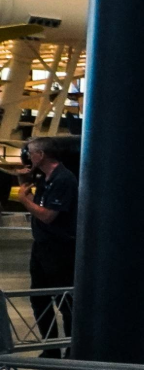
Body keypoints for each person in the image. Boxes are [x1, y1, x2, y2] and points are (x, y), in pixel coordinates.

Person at [16, 137, 76, 355]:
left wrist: (24, 200)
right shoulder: (44, 178)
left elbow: (48, 215)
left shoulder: (63, 179)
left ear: (41, 155)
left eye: (31, 152)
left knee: (64, 299)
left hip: (59, 248)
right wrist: (24, 182)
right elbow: (38, 206)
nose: (28, 156)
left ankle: (72, 347)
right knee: (39, 297)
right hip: (42, 246)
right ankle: (50, 347)